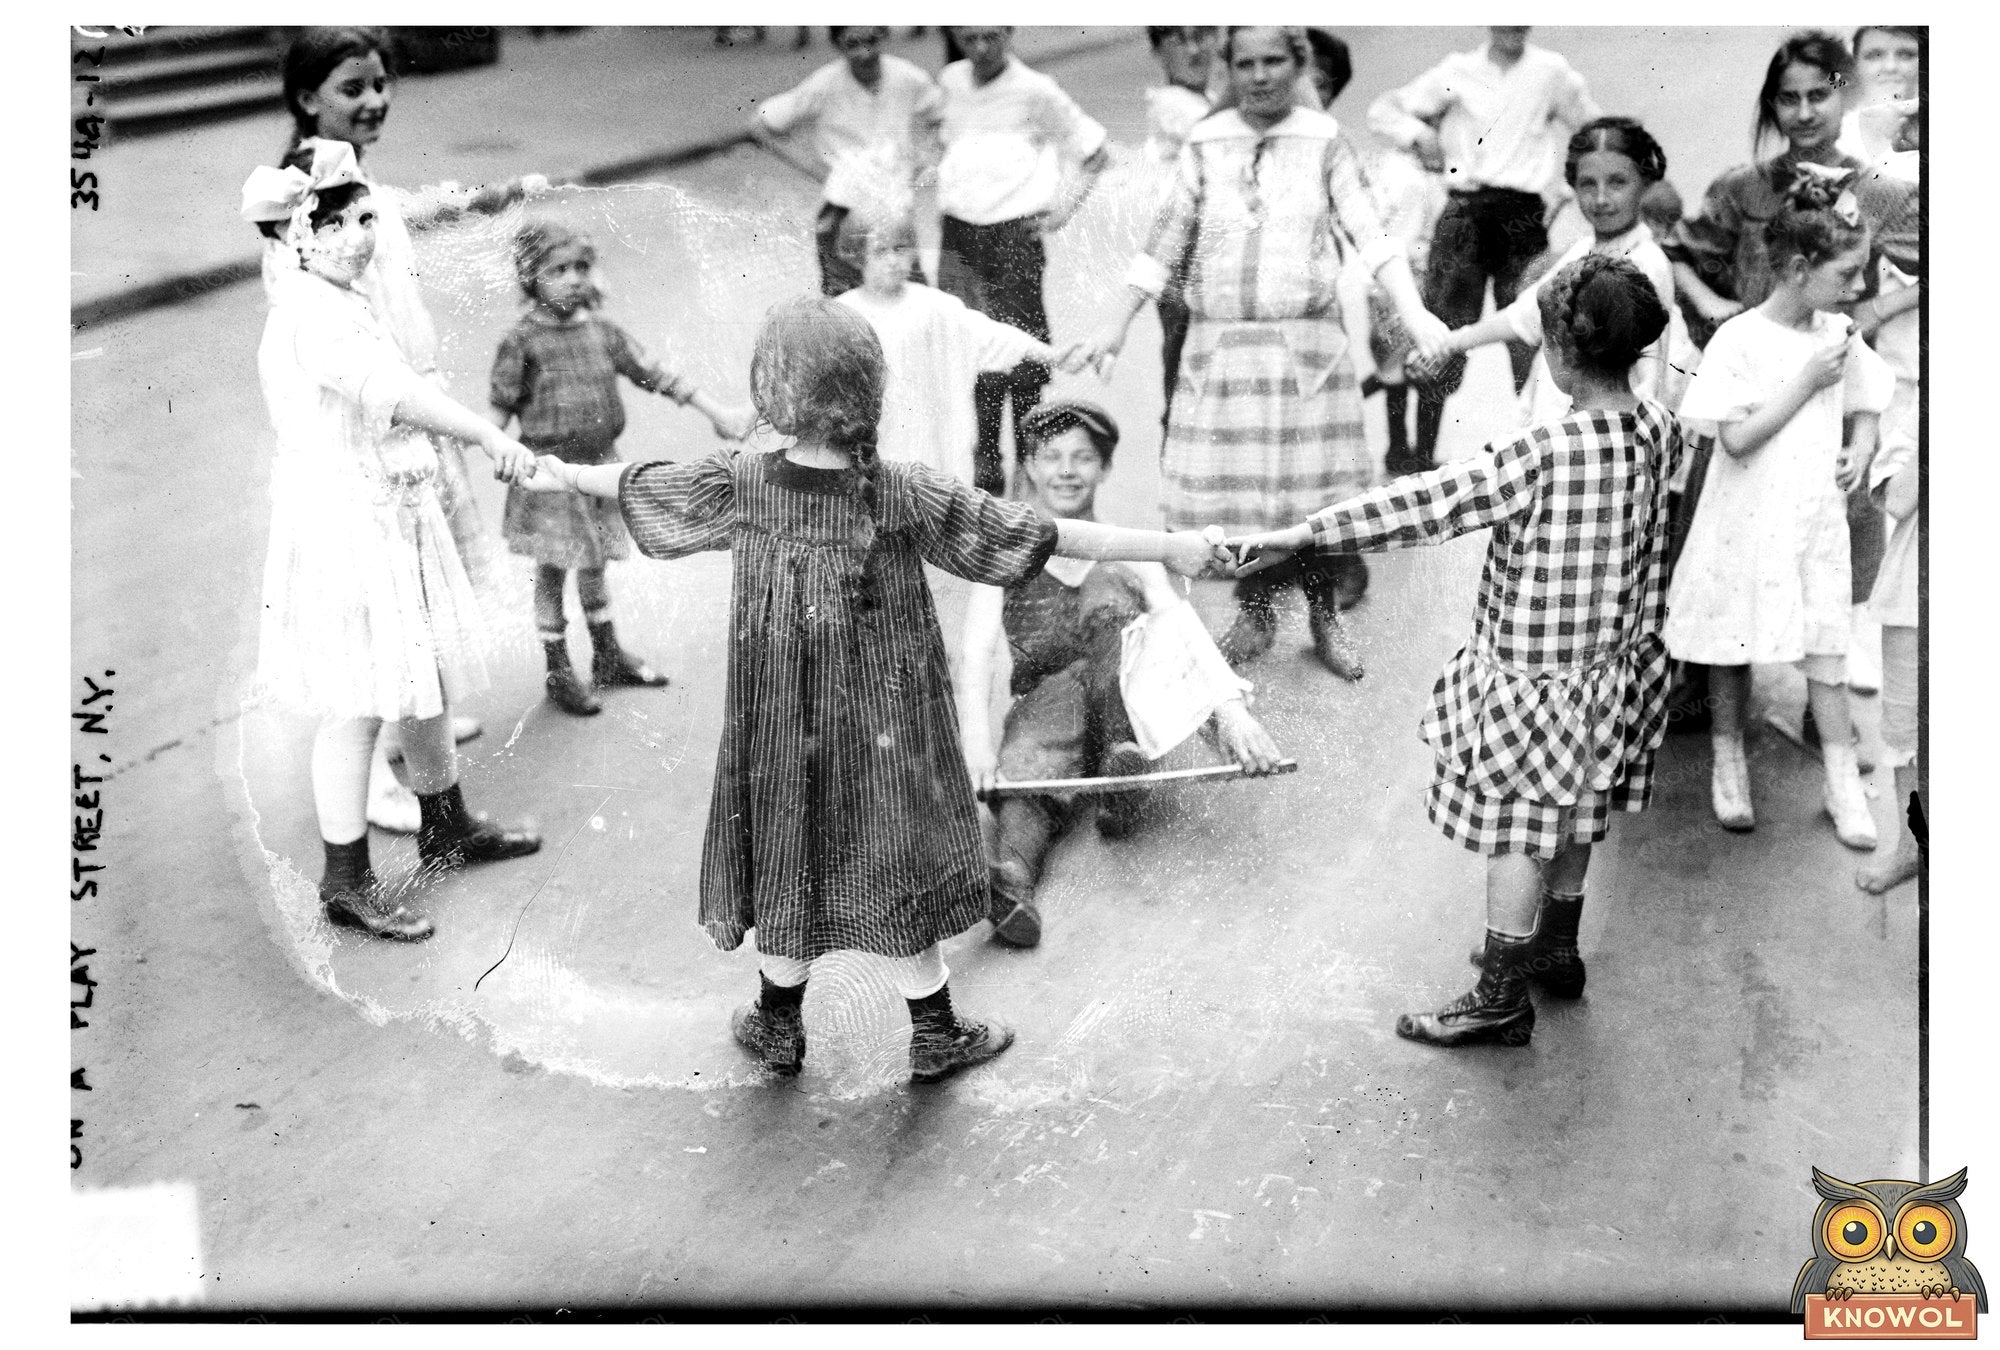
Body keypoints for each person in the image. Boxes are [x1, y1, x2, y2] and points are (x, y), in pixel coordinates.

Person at [517, 298, 1218, 1085]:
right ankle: (935, 1031)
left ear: (775, 392)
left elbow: (641, 483)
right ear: (869, 392)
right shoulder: (903, 492)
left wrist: (564, 472)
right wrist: (1175, 546)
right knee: (897, 852)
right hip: (888, 725)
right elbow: (1045, 535)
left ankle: (779, 1023)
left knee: (789, 844)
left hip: (778, 722)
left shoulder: (743, 482)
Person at [1221, 254, 1685, 1048]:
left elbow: (1421, 505)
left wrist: (1303, 533)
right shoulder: (1661, 432)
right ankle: (1559, 945)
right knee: (1579, 810)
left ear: (1561, 353)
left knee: (1515, 834)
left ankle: (1501, 994)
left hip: (1533, 681)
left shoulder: (1539, 451)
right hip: (1614, 672)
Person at [1080, 27, 1451, 682]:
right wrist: (1112, 326)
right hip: (1222, 350)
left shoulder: (1324, 142)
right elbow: (1163, 244)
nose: (1259, 76)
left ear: (1298, 63)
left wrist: (1415, 312)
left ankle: (1323, 617)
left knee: (1310, 501)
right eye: (1244, 63)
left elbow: (1371, 234)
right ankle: (1254, 614)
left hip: (1305, 348)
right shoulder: (1205, 142)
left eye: (1273, 60)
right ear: (1230, 69)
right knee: (1242, 504)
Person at [242, 141, 543, 942]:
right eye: (334, 222)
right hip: (347, 524)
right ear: (292, 239)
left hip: (389, 508)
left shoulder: (346, 296)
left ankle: (446, 821)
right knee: (359, 702)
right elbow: (392, 393)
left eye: (365, 216)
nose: (360, 236)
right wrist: (482, 432)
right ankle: (345, 879)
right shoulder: (309, 316)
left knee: (423, 671)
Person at [277, 27, 548, 829]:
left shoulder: (347, 175)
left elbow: (394, 216)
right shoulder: (303, 188)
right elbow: (328, 323)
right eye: (354, 88)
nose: (375, 100)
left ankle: (416, 747)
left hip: (404, 403)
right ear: (306, 98)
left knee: (417, 605)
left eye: (381, 84)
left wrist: (480, 198)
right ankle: (374, 786)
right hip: (376, 421)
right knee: (385, 623)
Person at [1661, 31, 1919, 733]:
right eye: (1788, 98)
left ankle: (1820, 694)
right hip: (1753, 383)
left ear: (1845, 95)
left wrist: (1876, 309)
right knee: (1725, 539)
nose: (1803, 111)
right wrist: (1711, 304)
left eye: (1818, 95)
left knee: (1830, 543)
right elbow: (1680, 252)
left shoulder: (1879, 189)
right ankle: (1706, 678)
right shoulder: (1743, 188)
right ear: (1771, 106)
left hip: (1833, 378)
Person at [956, 402, 1285, 947]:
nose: (1067, 471)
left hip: (1127, 701)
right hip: (1049, 698)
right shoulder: (1004, 552)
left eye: (1083, 458)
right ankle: (1014, 879)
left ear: (1104, 468)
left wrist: (1233, 717)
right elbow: (977, 650)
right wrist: (976, 746)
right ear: (1030, 467)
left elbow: (1181, 631)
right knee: (1029, 763)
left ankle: (1120, 764)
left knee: (1118, 630)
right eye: (1052, 457)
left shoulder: (1130, 548)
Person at [1659, 171, 1895, 848]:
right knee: (1733, 643)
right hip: (1745, 520)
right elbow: (1733, 438)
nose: (1855, 288)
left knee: (1826, 642)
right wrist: (1804, 382)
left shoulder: (1841, 333)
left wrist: (1861, 444)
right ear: (1798, 268)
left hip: (1812, 520)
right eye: (1846, 274)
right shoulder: (1739, 340)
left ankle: (1842, 780)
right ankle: (1729, 761)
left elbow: (1868, 401)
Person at [490, 222, 754, 717]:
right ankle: (558, 669)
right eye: (557, 270)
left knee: (594, 563)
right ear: (530, 277)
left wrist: (719, 413)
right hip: (548, 474)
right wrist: (497, 449)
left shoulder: (601, 332)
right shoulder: (521, 340)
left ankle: (607, 655)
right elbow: (498, 409)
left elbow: (656, 374)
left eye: (580, 268)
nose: (572, 279)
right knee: (552, 571)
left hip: (600, 467)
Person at [1368, 26, 1601, 473]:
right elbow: (1384, 112)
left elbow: (1595, 130)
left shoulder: (1550, 71)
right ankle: (1420, 456)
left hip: (1522, 216)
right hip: (1466, 212)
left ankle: (1536, 451)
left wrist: (1571, 185)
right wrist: (1420, 135)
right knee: (1443, 328)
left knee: (1529, 328)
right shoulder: (1458, 70)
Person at [935, 27, 1111, 494]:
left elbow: (1093, 151)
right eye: (969, 37)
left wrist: (1061, 209)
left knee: (1022, 349)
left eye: (991, 36)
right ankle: (987, 457)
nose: (981, 48)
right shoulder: (950, 82)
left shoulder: (1036, 89)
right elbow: (941, 144)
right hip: (959, 231)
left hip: (1013, 231)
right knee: (972, 343)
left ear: (1010, 32)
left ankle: (1027, 458)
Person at [1423, 118, 1682, 428]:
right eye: (1588, 184)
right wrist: (1449, 342)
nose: (1601, 199)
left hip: (1599, 438)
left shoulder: (1646, 261)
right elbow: (1523, 317)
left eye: (1617, 182)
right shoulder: (1583, 250)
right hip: (1557, 428)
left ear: (1645, 184)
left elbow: (1647, 378)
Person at [833, 212, 1082, 482]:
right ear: (858, 256)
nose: (893, 261)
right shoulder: (845, 314)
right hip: (878, 438)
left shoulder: (933, 306)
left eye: (900, 249)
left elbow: (991, 336)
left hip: (929, 439)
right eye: (880, 252)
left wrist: (1053, 356)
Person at [750, 25, 944, 298]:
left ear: (884, 37)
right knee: (845, 298)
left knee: (910, 294)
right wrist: (816, 169)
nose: (864, 52)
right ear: (838, 45)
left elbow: (942, 114)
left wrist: (924, 158)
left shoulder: (906, 76)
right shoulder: (825, 83)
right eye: (852, 44)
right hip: (844, 208)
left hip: (894, 205)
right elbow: (762, 124)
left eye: (872, 40)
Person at [1855, 421, 1920, 893]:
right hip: (1917, 594)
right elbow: (1898, 500)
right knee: (1905, 731)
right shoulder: (1922, 404)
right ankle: (1912, 849)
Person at [1142, 26, 1217, 429]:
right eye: (1179, 39)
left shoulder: (1204, 99)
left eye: (1204, 35)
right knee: (1187, 377)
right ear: (1158, 49)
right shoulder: (1171, 104)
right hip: (1184, 259)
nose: (1194, 50)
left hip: (1210, 255)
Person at [1838, 26, 1921, 184]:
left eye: (1906, 55)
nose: (1890, 67)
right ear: (1855, 65)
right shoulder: (1835, 134)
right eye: (1875, 55)